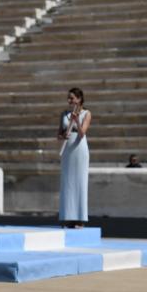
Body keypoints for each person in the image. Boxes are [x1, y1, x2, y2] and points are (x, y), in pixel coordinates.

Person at [57, 88, 92, 228]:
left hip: (80, 149)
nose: (69, 101)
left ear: (79, 99)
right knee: (68, 182)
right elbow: (59, 134)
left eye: (72, 98)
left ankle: (80, 219)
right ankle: (68, 217)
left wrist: (76, 120)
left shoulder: (87, 113)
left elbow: (82, 133)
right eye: (68, 98)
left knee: (80, 182)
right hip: (68, 150)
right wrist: (62, 136)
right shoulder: (64, 114)